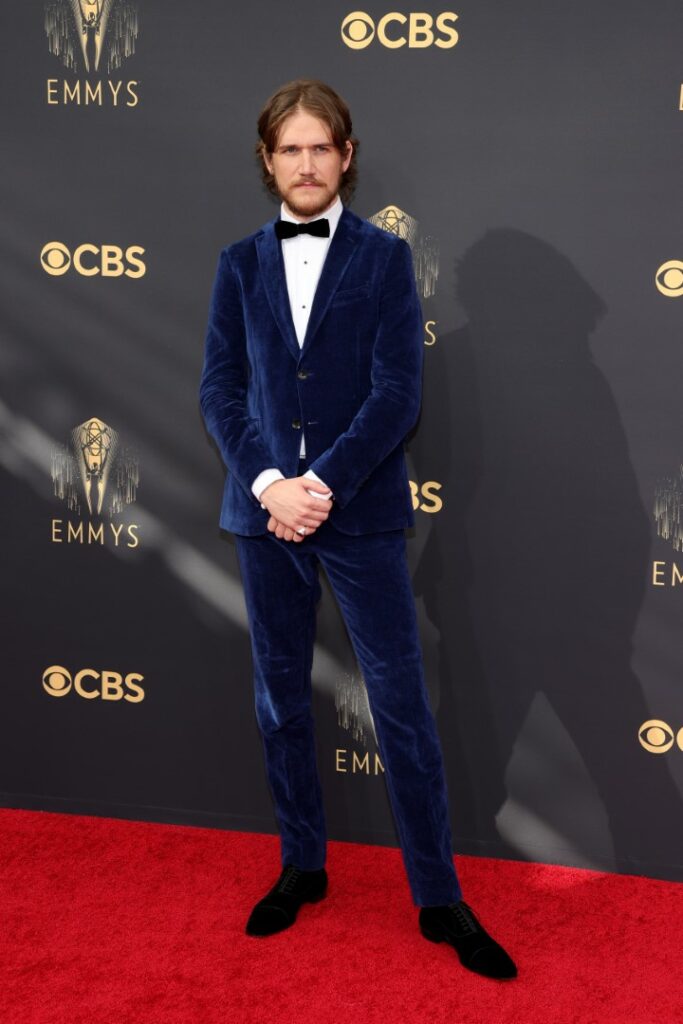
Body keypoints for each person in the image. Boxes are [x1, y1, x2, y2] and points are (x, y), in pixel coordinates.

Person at [199, 78, 517, 981]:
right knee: (279, 703)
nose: (305, 164)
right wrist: (269, 484)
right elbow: (219, 389)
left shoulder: (383, 259)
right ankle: (301, 865)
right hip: (263, 518)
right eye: (288, 149)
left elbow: (395, 395)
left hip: (358, 512)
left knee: (402, 710)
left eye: (319, 147)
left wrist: (319, 485)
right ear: (268, 162)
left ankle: (438, 895)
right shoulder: (236, 263)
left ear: (345, 155)